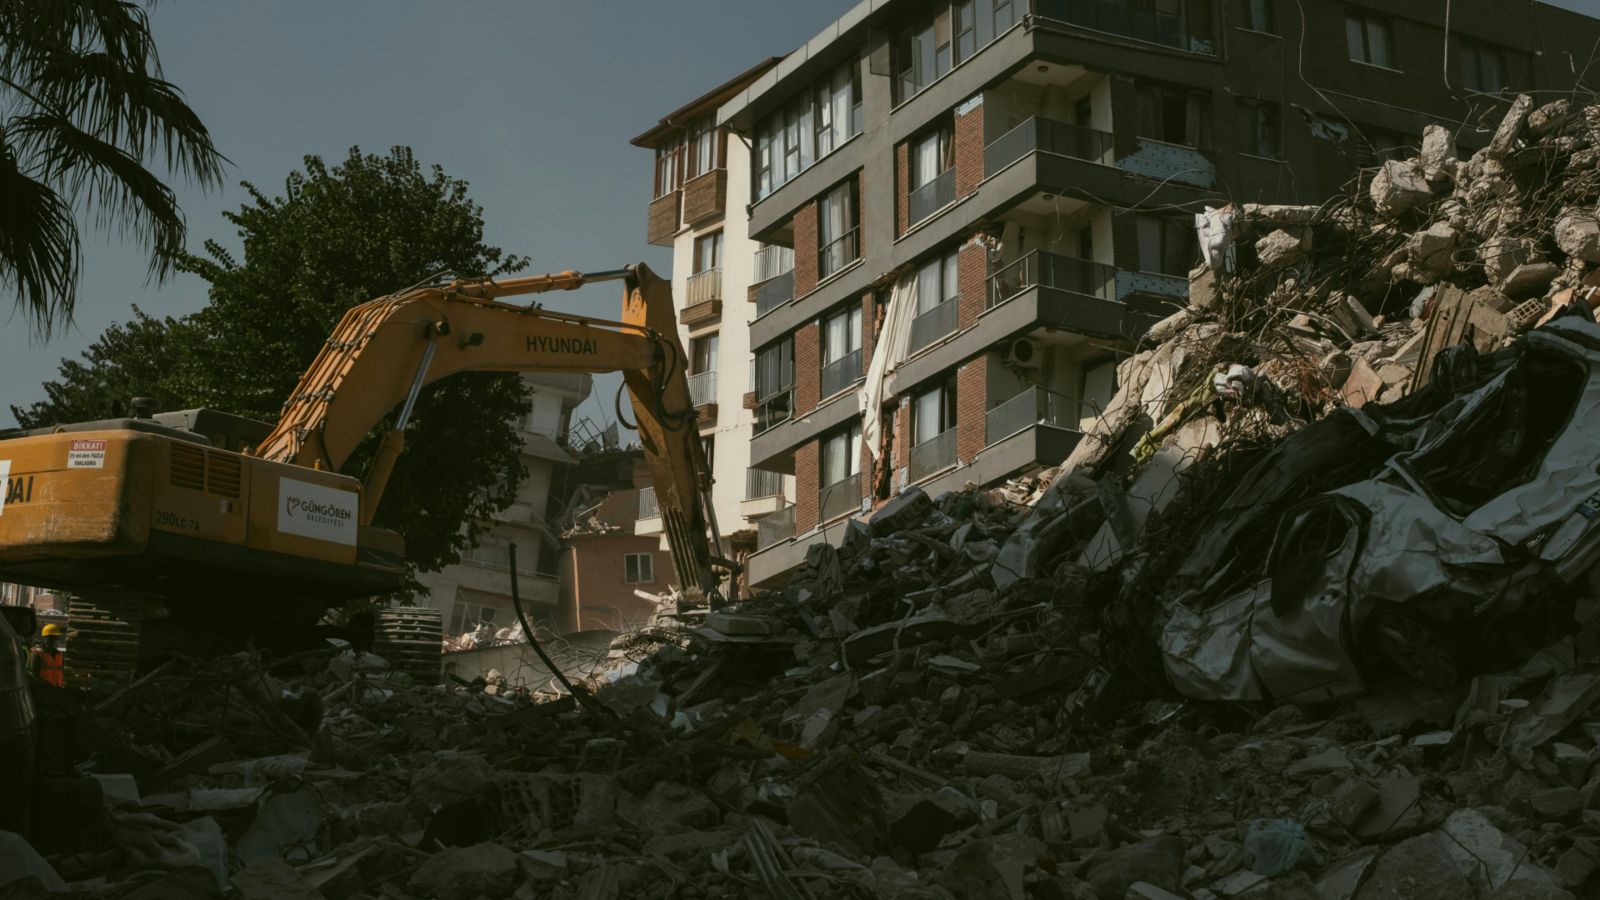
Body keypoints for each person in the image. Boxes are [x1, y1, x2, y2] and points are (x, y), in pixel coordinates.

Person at [27, 624, 63, 688]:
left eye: (55, 638)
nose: (53, 641)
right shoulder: (37, 654)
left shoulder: (59, 655)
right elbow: (32, 677)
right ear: (44, 638)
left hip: (57, 691)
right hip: (42, 691)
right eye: (50, 638)